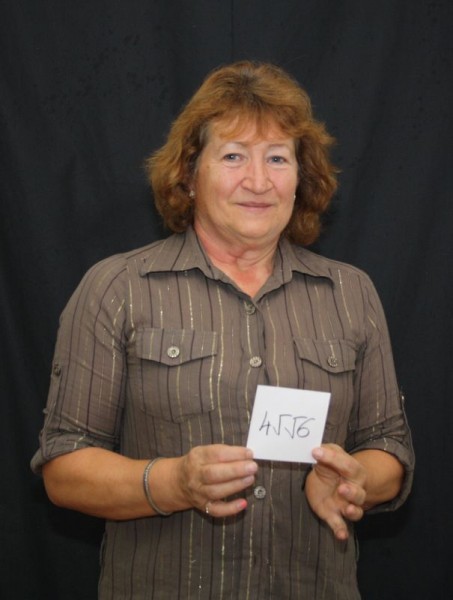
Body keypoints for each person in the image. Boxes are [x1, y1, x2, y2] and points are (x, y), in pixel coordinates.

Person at [31, 60, 414, 599]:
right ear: (189, 175)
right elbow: (64, 467)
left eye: (277, 158)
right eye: (233, 156)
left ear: (301, 177)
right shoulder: (117, 288)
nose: (258, 181)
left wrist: (357, 481)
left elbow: (389, 449)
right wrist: (175, 483)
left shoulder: (351, 293)